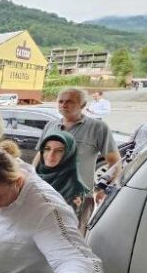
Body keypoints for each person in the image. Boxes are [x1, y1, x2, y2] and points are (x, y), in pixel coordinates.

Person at [34, 87, 120, 216]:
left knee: (73, 235)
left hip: (79, 197)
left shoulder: (97, 127)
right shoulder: (50, 126)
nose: (64, 105)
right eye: (61, 101)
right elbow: (39, 157)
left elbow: (115, 162)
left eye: (69, 101)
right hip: (47, 195)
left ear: (83, 105)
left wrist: (106, 189)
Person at [36, 131, 89, 222]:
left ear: (69, 154)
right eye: (47, 149)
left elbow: (64, 224)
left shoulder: (74, 187)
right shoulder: (36, 174)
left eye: (59, 150)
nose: (51, 155)